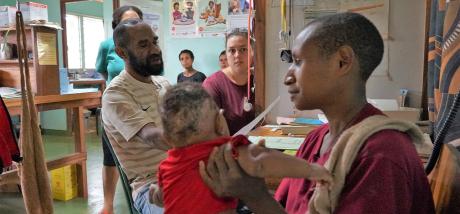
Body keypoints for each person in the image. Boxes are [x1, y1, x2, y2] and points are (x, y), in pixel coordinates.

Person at [199, 12, 435, 214]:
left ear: (343, 61)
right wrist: (249, 189)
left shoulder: (381, 155)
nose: (288, 76)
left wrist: (255, 194)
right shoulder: (317, 138)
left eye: (299, 62)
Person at [150, 83, 332, 213]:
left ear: (167, 138)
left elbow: (162, 196)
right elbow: (263, 163)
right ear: (219, 122)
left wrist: (153, 196)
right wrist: (311, 170)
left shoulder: (167, 167)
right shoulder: (226, 150)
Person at [102, 18, 170, 214]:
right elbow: (152, 137)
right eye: (143, 44)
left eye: (155, 41)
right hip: (150, 185)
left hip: (183, 171)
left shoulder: (163, 84)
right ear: (121, 53)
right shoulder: (116, 95)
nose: (155, 49)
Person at [95, 5, 143, 214]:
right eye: (127, 22)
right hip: (114, 110)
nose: (132, 26)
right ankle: (108, 205)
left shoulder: (145, 45)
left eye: (137, 21)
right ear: (117, 26)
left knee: (141, 155)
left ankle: (140, 197)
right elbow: (103, 73)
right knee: (110, 158)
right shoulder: (107, 45)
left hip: (140, 106)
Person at [203, 28, 255, 135]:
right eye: (232, 50)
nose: (237, 55)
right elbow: (207, 130)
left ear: (252, 52)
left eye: (243, 49)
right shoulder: (213, 84)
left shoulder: (261, 80)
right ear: (226, 54)